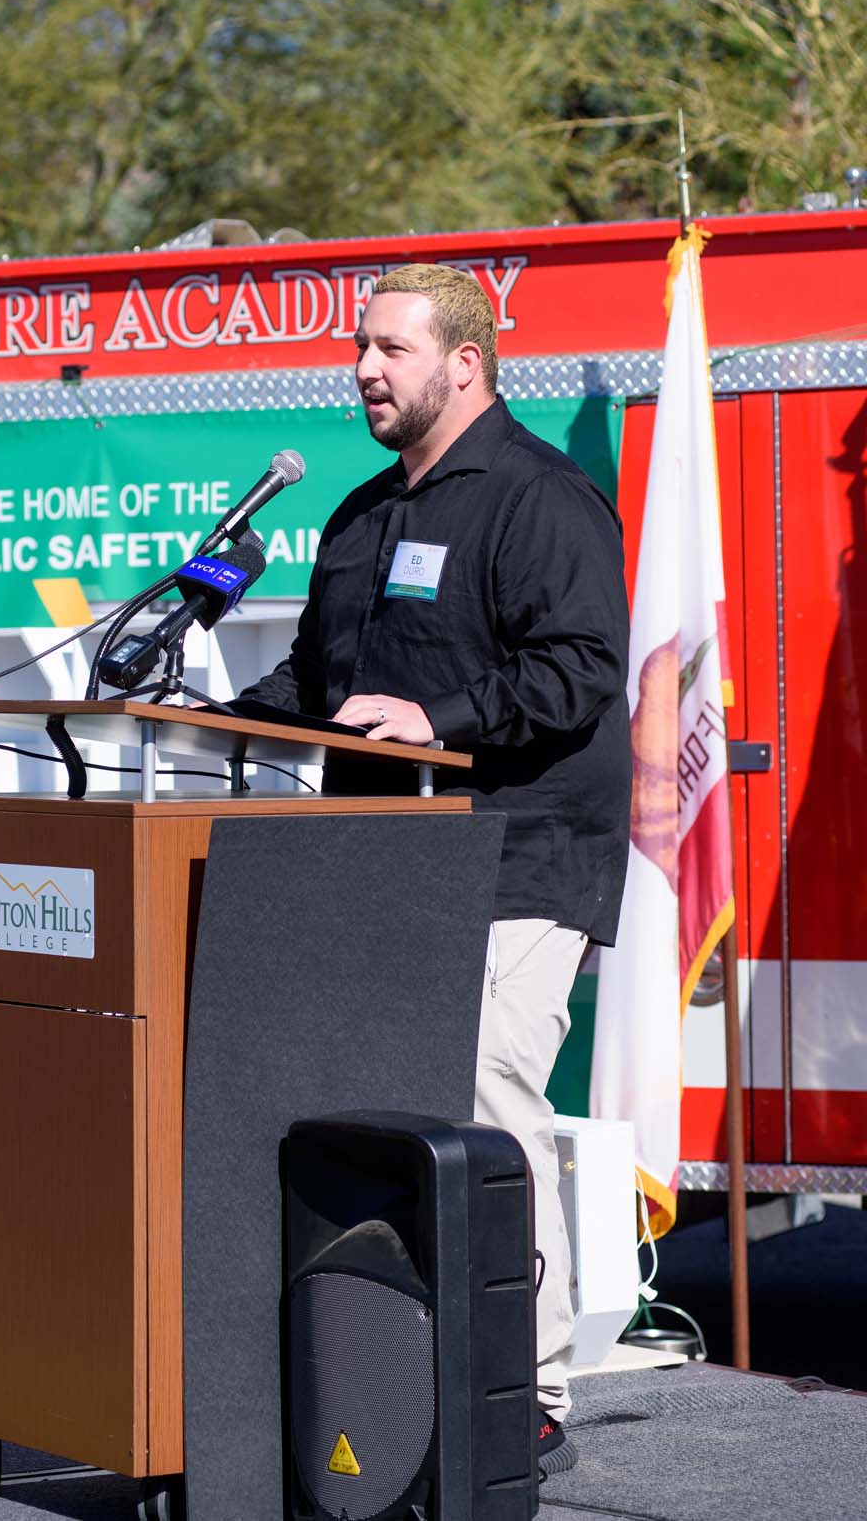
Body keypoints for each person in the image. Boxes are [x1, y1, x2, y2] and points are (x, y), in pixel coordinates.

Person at [238, 262, 631, 1478]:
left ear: (465, 363)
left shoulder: (542, 498)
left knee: (489, 1101)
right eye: (360, 347)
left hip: (518, 858)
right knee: (391, 1110)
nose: (363, 368)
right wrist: (209, 715)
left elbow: (579, 669)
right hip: (382, 865)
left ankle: (529, 1389)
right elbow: (319, 679)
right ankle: (402, 1369)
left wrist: (438, 719)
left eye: (389, 349)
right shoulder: (360, 516)